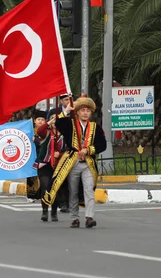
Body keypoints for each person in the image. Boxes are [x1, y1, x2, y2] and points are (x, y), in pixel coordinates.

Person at [42, 95, 107, 229]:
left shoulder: (96, 128)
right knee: (73, 191)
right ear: (77, 112)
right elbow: (59, 124)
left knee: (89, 189)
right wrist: (66, 110)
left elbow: (102, 145)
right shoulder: (70, 125)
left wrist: (88, 150)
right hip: (72, 162)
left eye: (87, 111)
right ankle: (74, 218)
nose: (85, 113)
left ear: (91, 113)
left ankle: (89, 217)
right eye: (82, 110)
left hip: (88, 163)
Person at [34, 114, 65, 222]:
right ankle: (44, 211)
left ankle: (54, 212)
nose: (55, 122)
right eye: (53, 119)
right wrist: (49, 122)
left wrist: (60, 155)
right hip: (45, 164)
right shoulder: (46, 133)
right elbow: (39, 131)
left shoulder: (65, 135)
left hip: (58, 165)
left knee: (54, 188)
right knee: (45, 187)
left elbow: (70, 149)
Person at [26, 110, 46, 203]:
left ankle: (43, 195)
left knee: (43, 176)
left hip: (42, 157)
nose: (40, 121)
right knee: (31, 176)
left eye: (42, 119)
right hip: (31, 157)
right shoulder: (30, 131)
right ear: (34, 121)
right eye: (38, 119)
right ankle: (30, 195)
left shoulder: (46, 131)